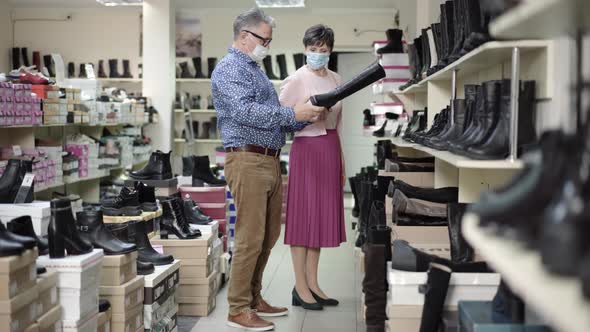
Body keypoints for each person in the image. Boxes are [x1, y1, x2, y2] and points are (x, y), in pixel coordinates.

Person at [211, 7, 327, 332]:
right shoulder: (230, 68)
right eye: (265, 39)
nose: (268, 46)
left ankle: (253, 297)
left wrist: (301, 118)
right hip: (247, 160)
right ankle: (237, 309)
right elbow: (246, 112)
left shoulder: (255, 69)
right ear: (245, 36)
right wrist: (293, 115)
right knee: (250, 238)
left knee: (268, 236)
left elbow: (269, 115)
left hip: (269, 158)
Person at [279, 24, 347, 311]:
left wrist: (343, 162)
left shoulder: (337, 79)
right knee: (303, 218)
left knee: (318, 218)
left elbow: (339, 124)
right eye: (313, 50)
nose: (318, 55)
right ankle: (300, 286)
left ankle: (313, 283)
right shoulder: (296, 79)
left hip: (330, 148)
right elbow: (281, 119)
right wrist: (307, 112)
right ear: (305, 49)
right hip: (307, 149)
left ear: (330, 51)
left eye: (324, 50)